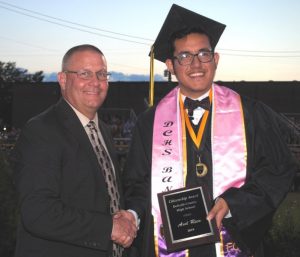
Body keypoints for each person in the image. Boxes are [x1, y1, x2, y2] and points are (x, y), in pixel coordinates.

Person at [123, 4, 297, 257]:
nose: (196, 64)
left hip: (232, 237)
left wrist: (234, 203)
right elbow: (136, 184)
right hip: (170, 244)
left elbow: (279, 169)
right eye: (184, 56)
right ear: (171, 65)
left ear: (215, 60)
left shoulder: (250, 113)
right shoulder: (149, 123)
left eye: (203, 54)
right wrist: (132, 215)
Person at [11, 44, 137, 257]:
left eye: (101, 74)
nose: (95, 82)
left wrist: (129, 217)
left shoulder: (103, 130)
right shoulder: (42, 130)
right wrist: (108, 227)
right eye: (84, 74)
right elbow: (38, 212)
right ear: (62, 79)